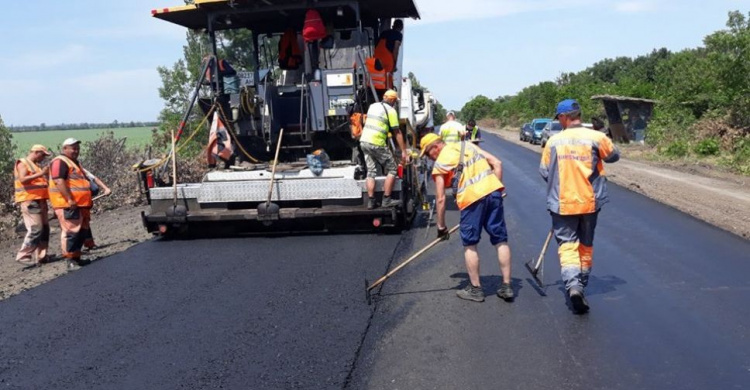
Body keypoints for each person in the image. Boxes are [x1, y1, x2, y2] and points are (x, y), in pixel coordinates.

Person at [539, 99, 620, 314]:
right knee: (585, 244)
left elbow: (545, 172)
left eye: (560, 119)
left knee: (567, 246)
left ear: (565, 117)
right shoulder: (597, 137)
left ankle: (573, 286)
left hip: (563, 204)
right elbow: (613, 156)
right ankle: (581, 284)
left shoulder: (553, 141)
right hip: (589, 203)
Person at [419, 133, 513, 303]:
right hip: (493, 192)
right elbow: (497, 163)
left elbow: (440, 199)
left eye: (427, 154)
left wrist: (441, 227)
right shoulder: (467, 146)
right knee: (501, 240)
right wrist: (495, 191)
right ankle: (507, 286)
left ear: (435, 147)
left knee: (470, 244)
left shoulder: (440, 163)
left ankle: (475, 289)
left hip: (471, 200)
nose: (429, 158)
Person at [49, 138, 93, 271]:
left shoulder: (74, 163)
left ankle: (77, 257)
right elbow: (59, 181)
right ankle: (70, 261)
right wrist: (69, 199)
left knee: (82, 231)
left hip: (81, 204)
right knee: (72, 232)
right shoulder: (59, 162)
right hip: (68, 204)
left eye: (77, 148)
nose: (76, 151)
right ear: (64, 149)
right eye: (73, 148)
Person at [360, 89, 408, 210]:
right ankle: (386, 199)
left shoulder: (373, 106)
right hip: (377, 143)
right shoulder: (391, 111)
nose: (395, 103)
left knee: (370, 171)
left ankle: (371, 201)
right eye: (395, 101)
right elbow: (397, 132)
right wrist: (403, 151)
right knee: (392, 169)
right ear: (391, 100)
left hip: (364, 141)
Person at [13, 145, 52, 267]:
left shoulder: (35, 165)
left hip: (40, 199)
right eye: (43, 155)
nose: (43, 158)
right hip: (29, 199)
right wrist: (41, 173)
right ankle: (23, 254)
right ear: (36, 152)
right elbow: (23, 179)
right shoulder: (23, 163)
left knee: (45, 228)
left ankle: (42, 256)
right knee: (37, 228)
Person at [81, 168, 112, 250]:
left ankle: (89, 243)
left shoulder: (80, 169)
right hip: (73, 201)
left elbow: (94, 178)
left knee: (85, 220)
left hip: (83, 199)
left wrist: (106, 188)